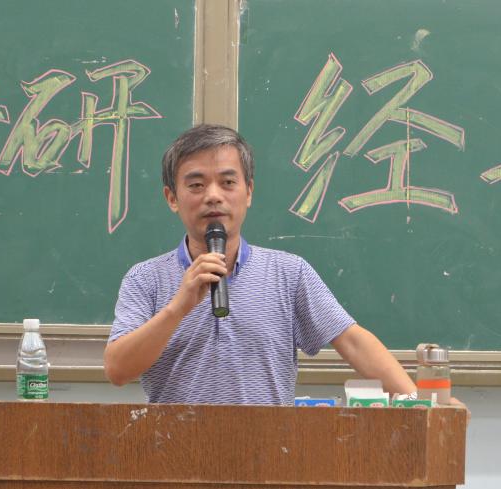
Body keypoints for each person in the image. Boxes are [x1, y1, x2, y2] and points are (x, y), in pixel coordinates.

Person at [104, 124, 421, 405]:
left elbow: (352, 341)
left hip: (270, 450)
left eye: (228, 182)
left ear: (249, 192)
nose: (213, 196)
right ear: (172, 198)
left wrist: (417, 404)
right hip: (176, 449)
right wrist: (178, 308)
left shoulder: (289, 273)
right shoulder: (145, 279)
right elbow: (117, 370)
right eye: (196, 185)